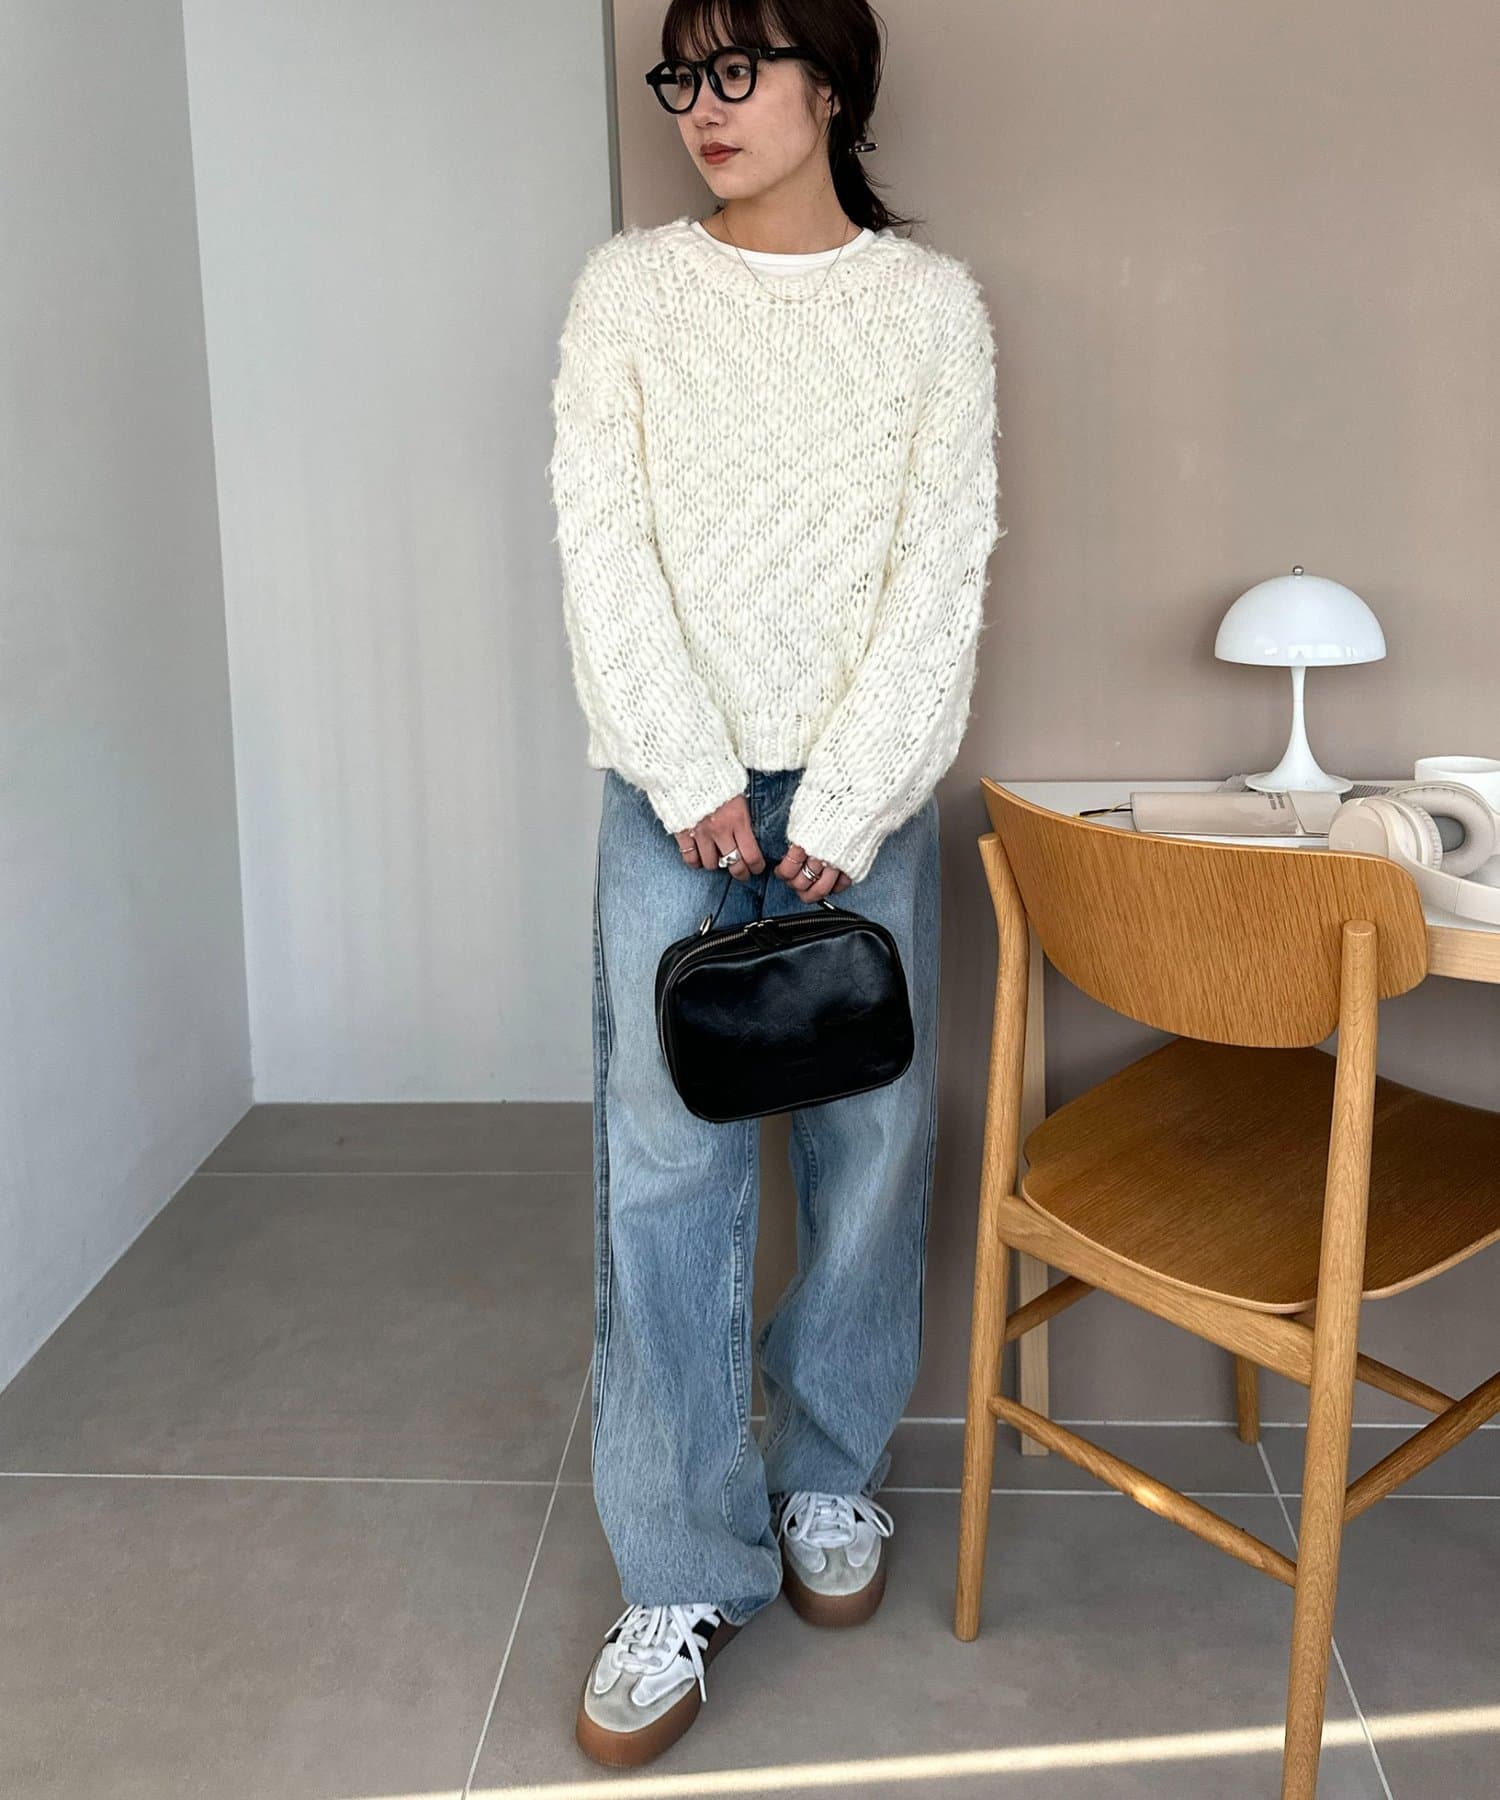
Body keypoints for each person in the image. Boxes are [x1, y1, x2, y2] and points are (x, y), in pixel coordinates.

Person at [546, 0, 1004, 1768]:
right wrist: (690, 776)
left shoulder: (931, 308)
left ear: (833, 81)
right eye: (686, 74)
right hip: (670, 800)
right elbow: (602, 541)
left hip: (861, 797)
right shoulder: (627, 294)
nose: (703, 107)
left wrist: (860, 794)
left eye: (740, 70)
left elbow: (942, 562)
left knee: (871, 1146)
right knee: (664, 1173)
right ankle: (679, 1561)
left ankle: (828, 1472)